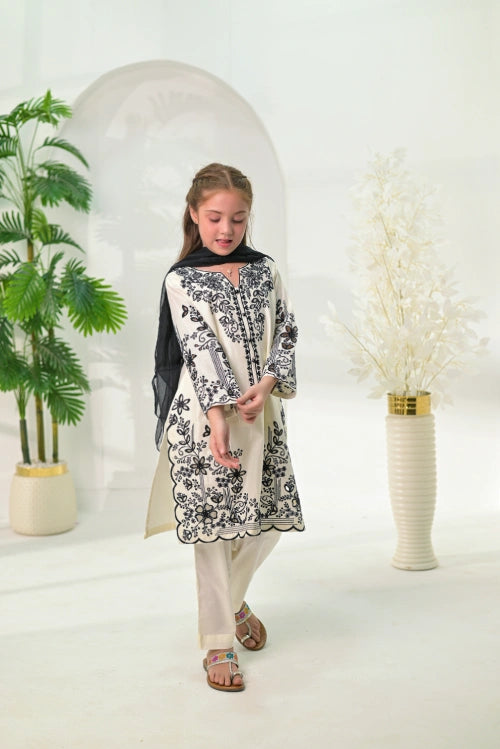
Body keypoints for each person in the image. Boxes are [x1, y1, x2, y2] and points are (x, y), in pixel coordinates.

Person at [146, 163, 304, 692]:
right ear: (194, 214)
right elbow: (198, 347)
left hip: (264, 415)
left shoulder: (265, 270)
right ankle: (219, 643)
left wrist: (268, 382)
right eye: (214, 217)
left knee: (268, 522)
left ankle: (230, 605)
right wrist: (218, 417)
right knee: (215, 533)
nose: (226, 229)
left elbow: (286, 330)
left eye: (238, 218)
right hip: (203, 419)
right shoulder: (182, 279)